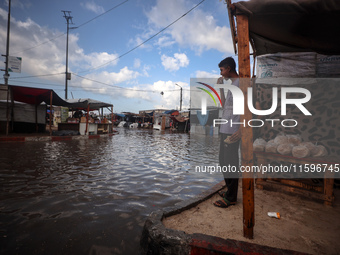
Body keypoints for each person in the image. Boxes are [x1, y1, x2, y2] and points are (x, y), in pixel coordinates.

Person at [213, 57, 241, 208]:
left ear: (228, 68)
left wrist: (242, 129)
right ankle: (230, 190)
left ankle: (231, 197)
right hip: (225, 128)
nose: (221, 73)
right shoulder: (232, 85)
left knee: (231, 163)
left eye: (222, 70)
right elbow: (225, 106)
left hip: (233, 130)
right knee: (223, 161)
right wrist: (221, 88)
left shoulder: (241, 83)